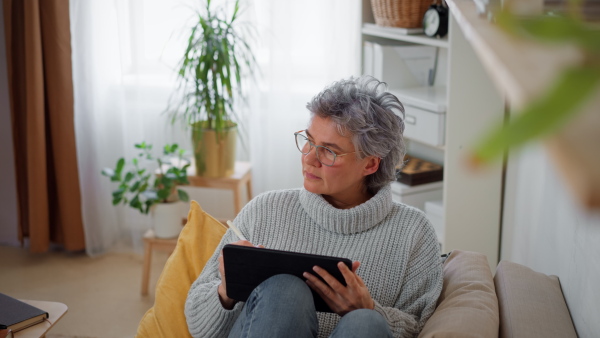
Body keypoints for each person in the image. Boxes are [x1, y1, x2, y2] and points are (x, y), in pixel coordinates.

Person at [185, 75, 443, 338]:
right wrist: (226, 291)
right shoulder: (265, 210)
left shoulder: (414, 232)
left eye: (329, 151)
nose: (308, 158)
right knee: (286, 291)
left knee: (366, 322)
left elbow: (418, 327)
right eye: (308, 140)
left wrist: (368, 308)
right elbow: (197, 325)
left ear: (370, 164)